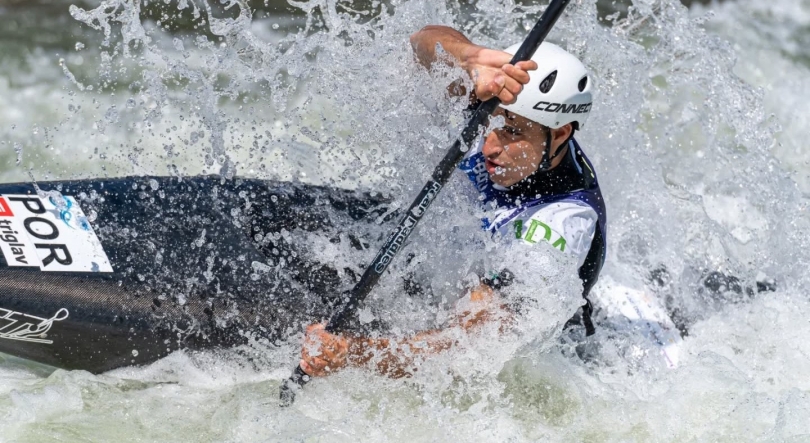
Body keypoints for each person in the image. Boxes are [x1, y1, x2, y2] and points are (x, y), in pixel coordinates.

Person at [299, 25, 606, 378]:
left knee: (476, 303)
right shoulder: (495, 100)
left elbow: (472, 347)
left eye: (512, 133)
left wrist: (354, 355)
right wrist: (468, 59)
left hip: (524, 354)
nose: (490, 146)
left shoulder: (563, 222)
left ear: (562, 133)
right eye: (492, 123)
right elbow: (422, 42)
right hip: (435, 270)